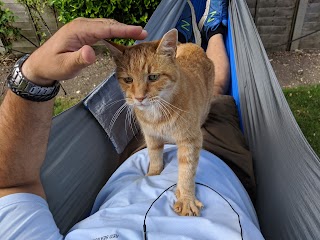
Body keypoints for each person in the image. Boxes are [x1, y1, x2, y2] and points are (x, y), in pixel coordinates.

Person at [0, 0, 264, 239]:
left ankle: (208, 32)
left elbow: (12, 183)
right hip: (222, 158)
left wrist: (33, 75)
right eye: (127, 81)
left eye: (150, 80)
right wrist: (155, 163)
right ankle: (207, 31)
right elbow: (151, 128)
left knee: (213, 87)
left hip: (192, 113)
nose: (138, 95)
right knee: (216, 88)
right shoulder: (140, 95)